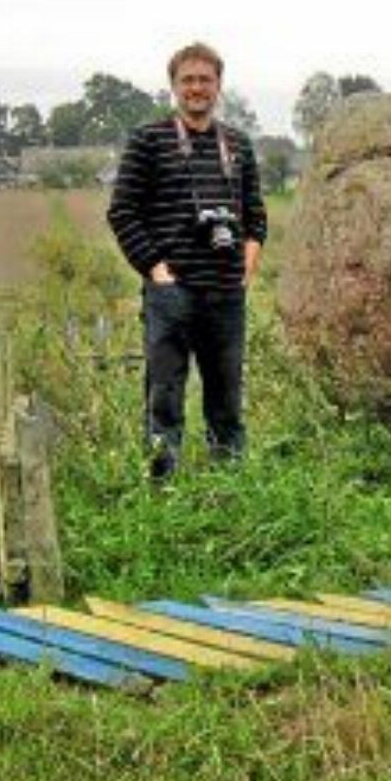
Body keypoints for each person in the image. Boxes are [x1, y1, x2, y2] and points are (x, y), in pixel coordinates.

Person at [107, 42, 267, 481]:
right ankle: (162, 489)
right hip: (171, 292)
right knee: (164, 400)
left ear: (219, 85)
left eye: (205, 80)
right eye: (188, 80)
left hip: (226, 293)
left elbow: (256, 218)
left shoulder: (237, 144)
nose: (197, 88)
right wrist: (157, 271)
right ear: (174, 86)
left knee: (227, 402)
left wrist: (244, 272)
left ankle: (230, 490)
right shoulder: (149, 141)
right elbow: (122, 212)